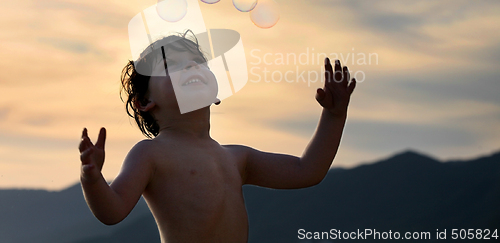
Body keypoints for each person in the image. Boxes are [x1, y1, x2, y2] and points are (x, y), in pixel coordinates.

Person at [79, 30, 356, 243]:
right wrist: (91, 179)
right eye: (171, 65)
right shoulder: (150, 154)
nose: (191, 67)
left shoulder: (236, 157)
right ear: (144, 101)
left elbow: (307, 171)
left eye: (198, 62)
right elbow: (112, 211)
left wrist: (334, 116)